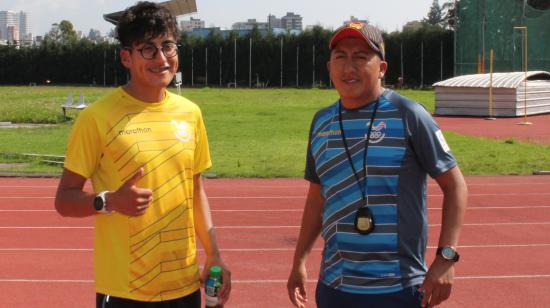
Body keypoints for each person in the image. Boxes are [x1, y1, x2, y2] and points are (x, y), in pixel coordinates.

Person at [54, 2, 231, 307]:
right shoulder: (96, 118)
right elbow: (65, 200)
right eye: (148, 49)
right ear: (126, 57)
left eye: (168, 46)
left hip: (183, 286)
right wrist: (108, 201)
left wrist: (214, 253)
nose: (161, 58)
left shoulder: (190, 114)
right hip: (125, 291)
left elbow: (196, 189)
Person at [287, 22, 467, 308]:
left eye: (360, 57)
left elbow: (455, 185)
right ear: (329, 66)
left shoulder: (409, 115)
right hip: (335, 286)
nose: (349, 67)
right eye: (341, 57)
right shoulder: (322, 123)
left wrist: (446, 258)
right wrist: (299, 261)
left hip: (399, 287)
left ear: (382, 68)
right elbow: (316, 199)